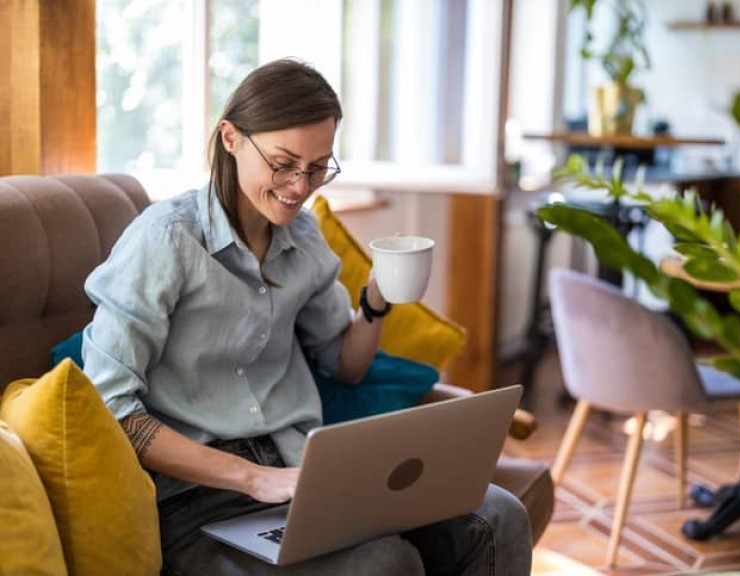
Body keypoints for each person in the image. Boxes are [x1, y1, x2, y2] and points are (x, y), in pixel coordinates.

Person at [82, 58, 532, 576]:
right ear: (230, 138)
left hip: (305, 475)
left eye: (318, 167)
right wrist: (254, 479)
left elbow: (346, 366)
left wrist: (378, 297)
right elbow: (110, 408)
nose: (300, 186)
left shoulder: (303, 238)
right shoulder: (165, 239)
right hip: (197, 499)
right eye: (283, 163)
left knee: (500, 514)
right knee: (383, 562)